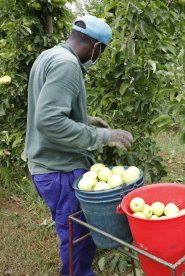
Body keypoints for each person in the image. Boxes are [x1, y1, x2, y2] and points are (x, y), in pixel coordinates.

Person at [24, 15, 133, 275]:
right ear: (96, 46)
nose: (99, 57)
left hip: (46, 163)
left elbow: (48, 106)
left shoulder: (49, 56)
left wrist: (84, 119)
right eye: (102, 51)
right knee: (77, 233)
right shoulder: (68, 65)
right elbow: (49, 121)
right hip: (59, 168)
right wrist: (105, 137)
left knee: (74, 229)